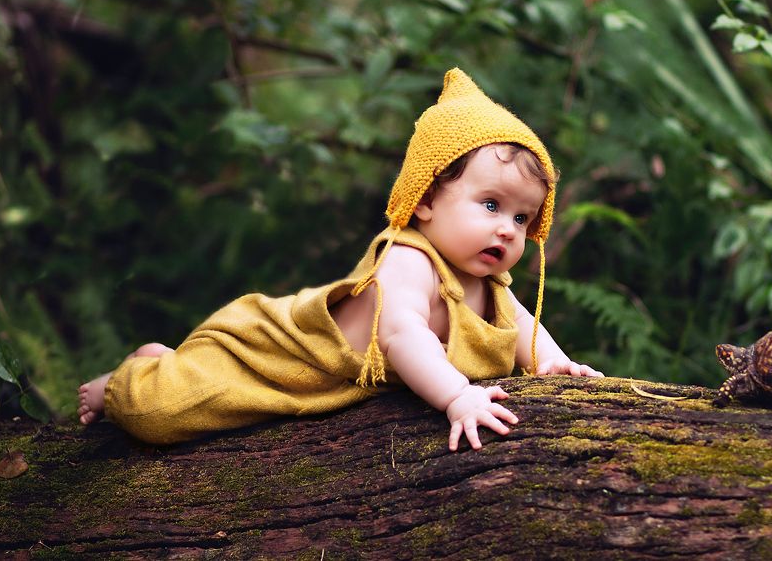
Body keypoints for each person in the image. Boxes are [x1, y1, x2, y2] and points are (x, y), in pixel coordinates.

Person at [77, 67, 602, 450]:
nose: (506, 229)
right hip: (277, 356)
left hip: (323, 386)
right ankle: (120, 383)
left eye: (520, 217)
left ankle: (164, 363)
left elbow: (518, 324)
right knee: (160, 414)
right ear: (424, 199)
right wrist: (456, 397)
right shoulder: (408, 261)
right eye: (490, 205)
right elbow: (402, 337)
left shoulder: (487, 282)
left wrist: (550, 360)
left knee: (183, 403)